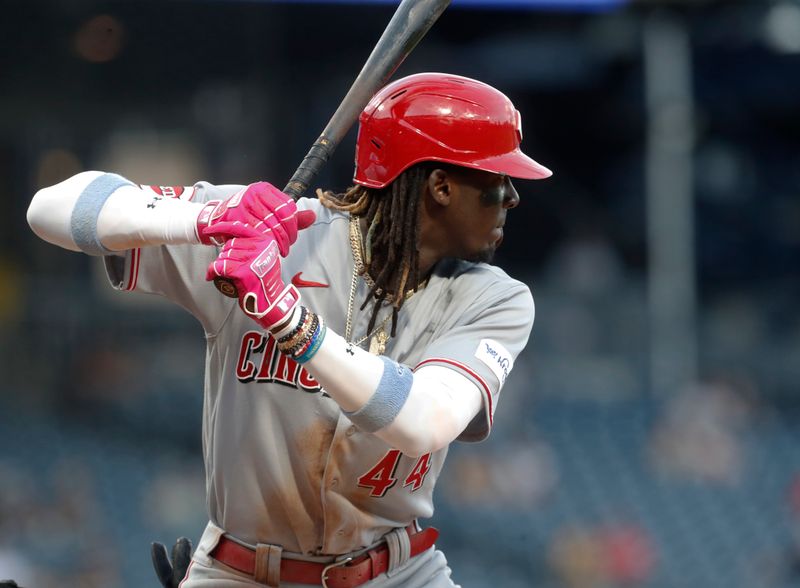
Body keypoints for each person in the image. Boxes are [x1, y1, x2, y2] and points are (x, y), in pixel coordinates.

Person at [27, 72, 551, 588]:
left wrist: (288, 318)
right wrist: (206, 220)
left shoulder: (495, 298)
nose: (511, 197)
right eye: (495, 182)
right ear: (440, 186)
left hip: (397, 575)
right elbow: (50, 208)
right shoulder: (272, 234)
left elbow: (423, 422)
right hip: (240, 572)